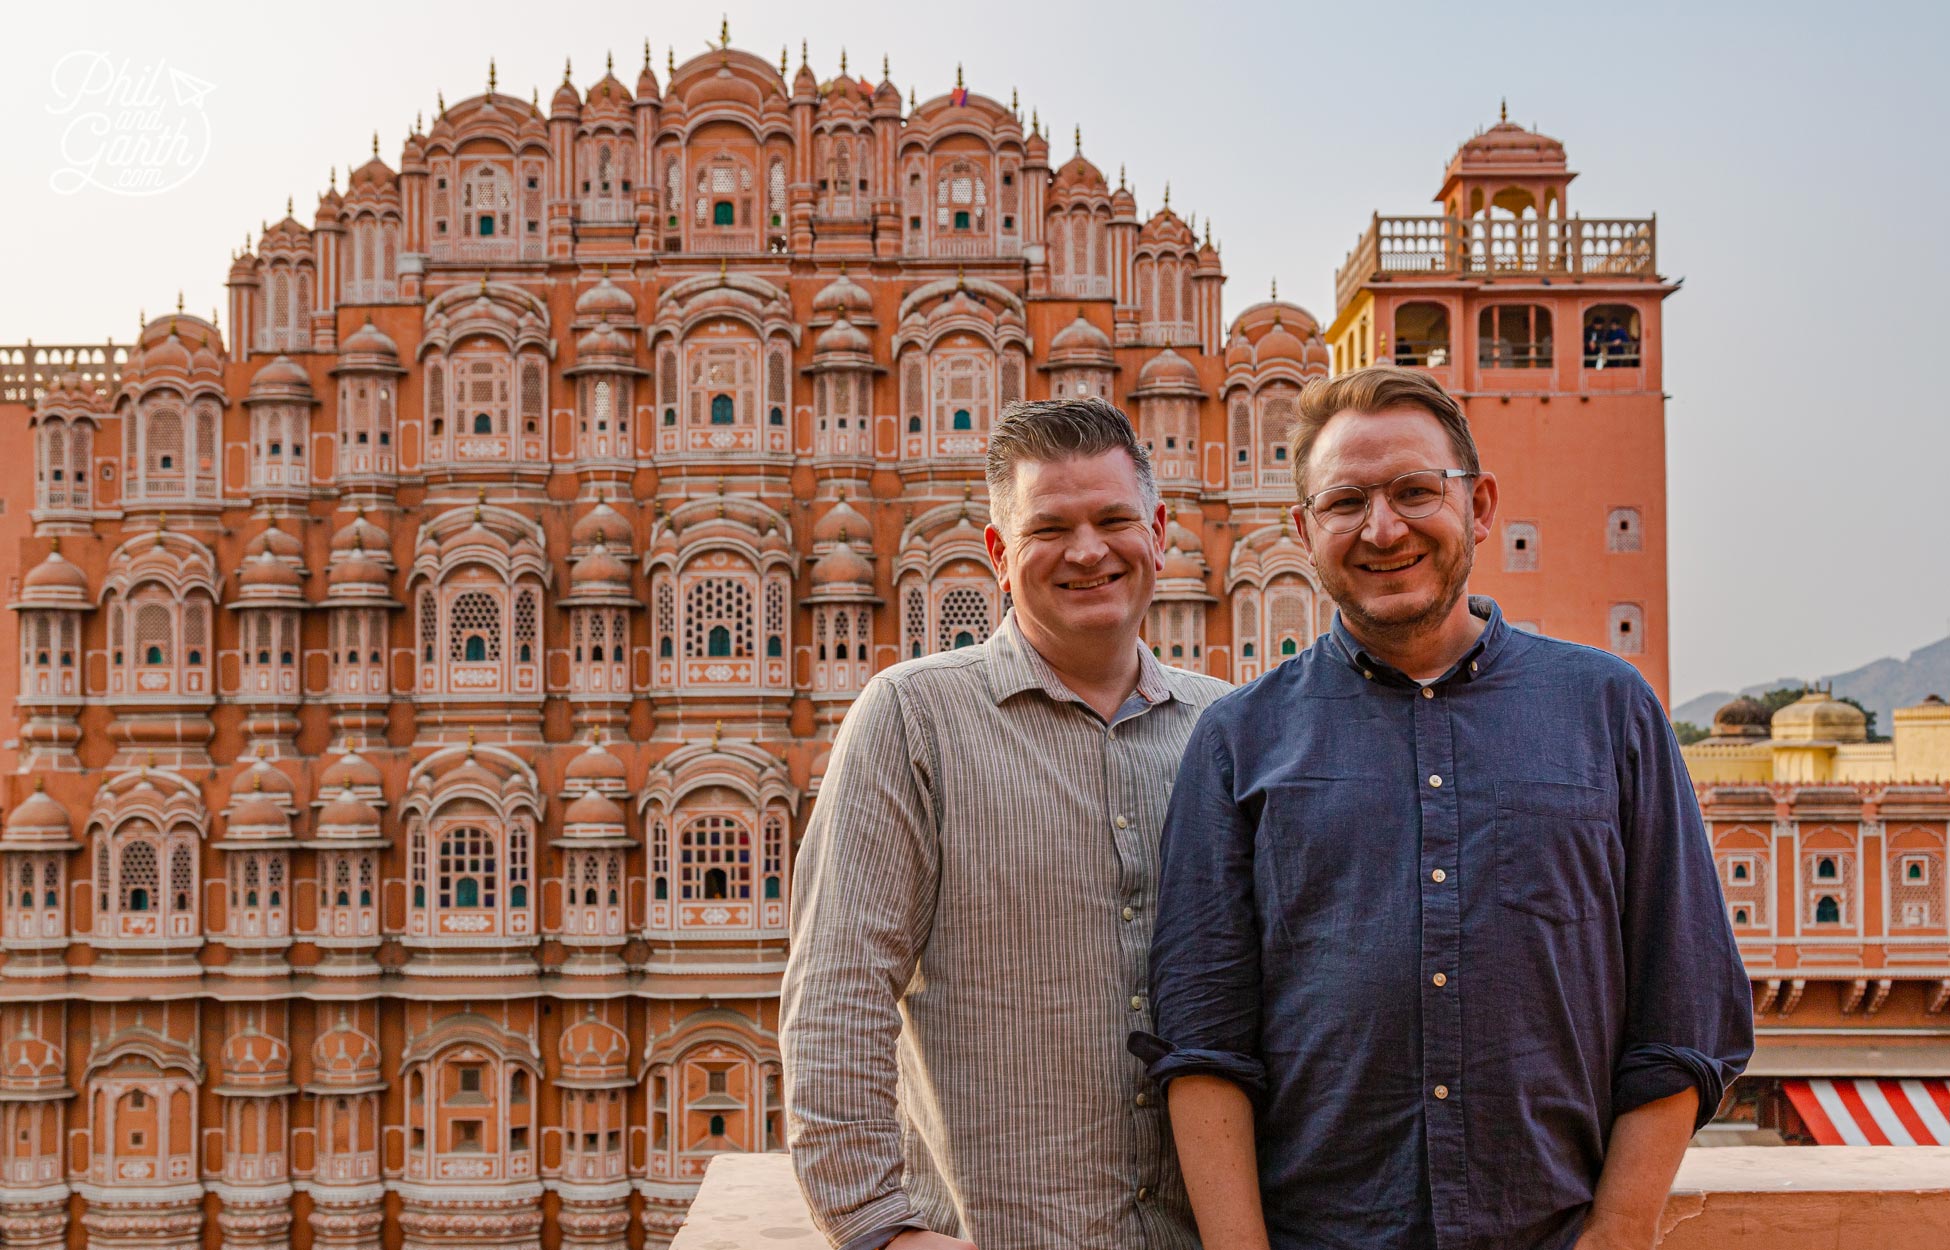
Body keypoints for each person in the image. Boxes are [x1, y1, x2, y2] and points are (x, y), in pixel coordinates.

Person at [1137, 365, 1752, 1250]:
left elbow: (1686, 1011)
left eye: (1415, 491)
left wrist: (1615, 1237)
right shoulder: (1241, 742)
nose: (1383, 529)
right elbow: (1203, 1042)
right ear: (1306, 533)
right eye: (1346, 502)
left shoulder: (1608, 711)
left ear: (1480, 506)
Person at [784, 396, 1229, 1250]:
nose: (1089, 551)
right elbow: (839, 985)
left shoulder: (1229, 729)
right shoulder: (916, 720)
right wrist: (877, 1227)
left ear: (1158, 531)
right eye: (1049, 528)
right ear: (998, 552)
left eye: (1112, 519)